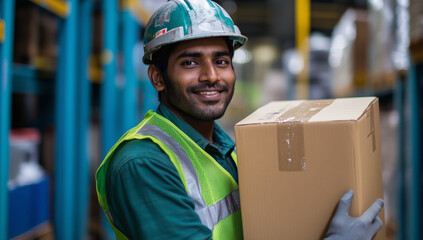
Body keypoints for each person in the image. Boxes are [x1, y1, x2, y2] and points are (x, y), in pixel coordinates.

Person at [95, 0, 384, 239]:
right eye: (190, 62)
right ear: (158, 78)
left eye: (221, 61)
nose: (211, 75)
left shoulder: (222, 147)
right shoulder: (142, 163)